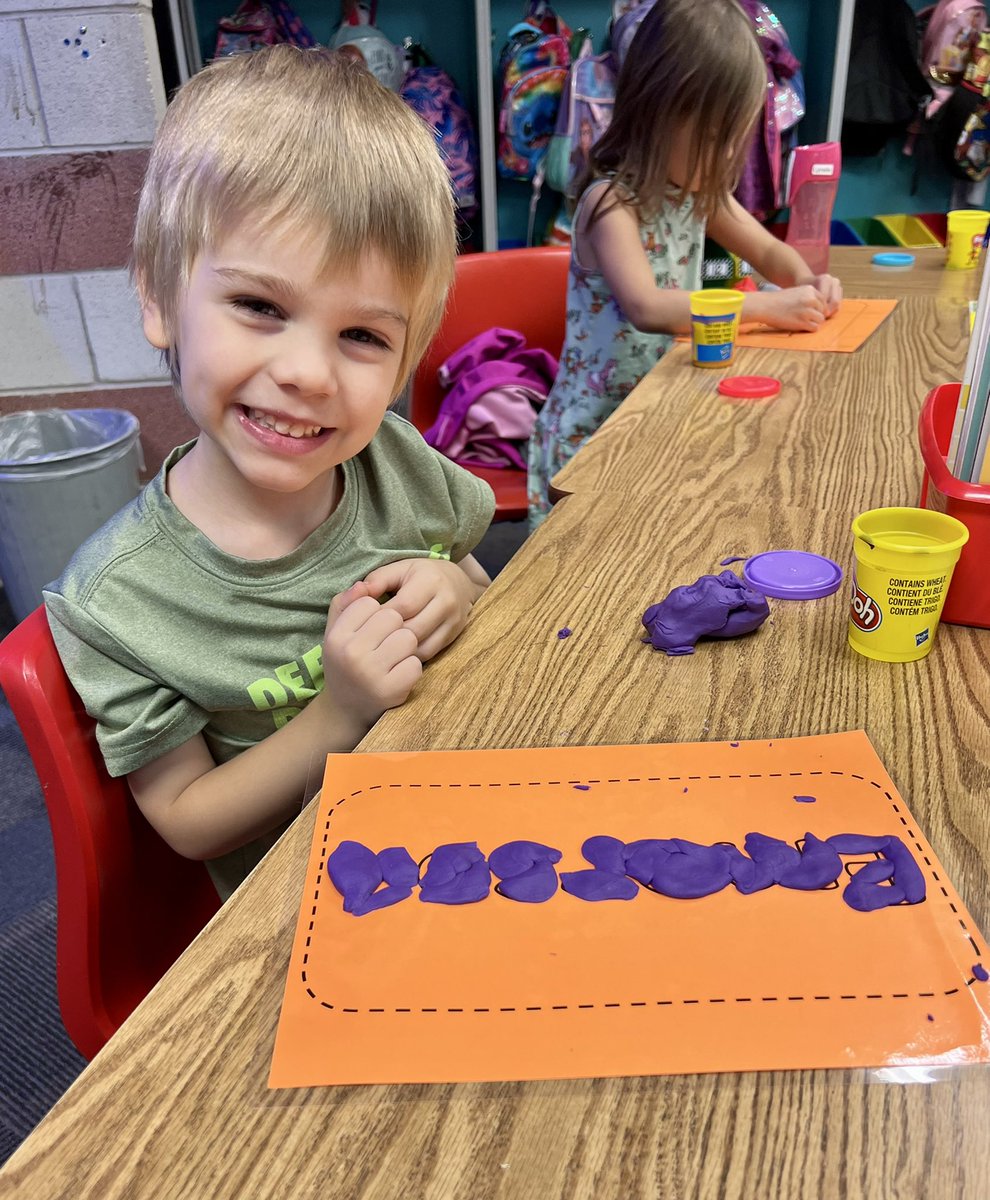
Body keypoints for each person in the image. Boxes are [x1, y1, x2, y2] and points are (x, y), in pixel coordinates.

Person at [43, 46, 495, 900]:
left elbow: (474, 579)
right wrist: (340, 711)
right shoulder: (117, 602)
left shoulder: (393, 462)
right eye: (260, 306)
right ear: (157, 298)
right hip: (305, 908)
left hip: (464, 829)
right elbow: (184, 819)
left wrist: (463, 595)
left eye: (363, 336)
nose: (310, 374)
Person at [527, 0, 843, 528]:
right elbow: (647, 307)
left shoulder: (703, 194)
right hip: (591, 433)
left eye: (736, 142)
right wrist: (766, 306)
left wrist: (809, 280)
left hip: (661, 409)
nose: (728, 161)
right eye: (714, 140)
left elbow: (768, 251)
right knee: (579, 559)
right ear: (654, 112)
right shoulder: (611, 204)